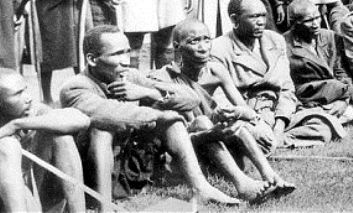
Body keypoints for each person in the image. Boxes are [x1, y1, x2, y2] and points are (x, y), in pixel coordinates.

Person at [59, 25, 240, 208]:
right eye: (117, 54)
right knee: (103, 130)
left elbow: (192, 99)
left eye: (127, 52)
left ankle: (201, 188)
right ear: (92, 59)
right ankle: (104, 207)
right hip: (91, 176)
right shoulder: (75, 88)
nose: (126, 61)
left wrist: (149, 93)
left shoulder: (130, 76)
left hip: (128, 167)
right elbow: (114, 116)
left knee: (172, 123)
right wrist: (162, 115)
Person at [150, 18, 295, 203]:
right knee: (202, 122)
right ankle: (243, 185)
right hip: (186, 151)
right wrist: (209, 130)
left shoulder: (215, 71)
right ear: (177, 46)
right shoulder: (165, 77)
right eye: (194, 42)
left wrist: (234, 113)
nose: (203, 47)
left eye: (206, 39)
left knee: (231, 123)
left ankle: (271, 177)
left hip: (216, 146)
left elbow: (245, 109)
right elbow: (173, 133)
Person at [211, 0, 346, 154]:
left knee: (322, 126)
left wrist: (280, 124)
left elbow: (287, 89)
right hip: (246, 116)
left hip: (275, 113)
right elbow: (220, 99)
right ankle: (261, 143)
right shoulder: (219, 48)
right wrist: (255, 122)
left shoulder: (274, 40)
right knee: (244, 133)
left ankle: (271, 143)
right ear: (234, 20)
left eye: (263, 16)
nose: (261, 22)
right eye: (254, 17)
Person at [0, 68, 88, 213]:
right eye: (18, 94)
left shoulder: (26, 112)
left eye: (25, 90)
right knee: (7, 146)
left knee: (60, 134)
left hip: (24, 198)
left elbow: (82, 119)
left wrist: (15, 125)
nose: (28, 98)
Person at [284, 0, 353, 124]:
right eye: (308, 20)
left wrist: (344, 101)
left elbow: (341, 72)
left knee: (348, 113)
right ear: (294, 23)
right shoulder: (284, 44)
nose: (316, 24)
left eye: (317, 17)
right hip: (307, 98)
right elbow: (287, 84)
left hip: (336, 95)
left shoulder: (330, 37)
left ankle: (320, 119)